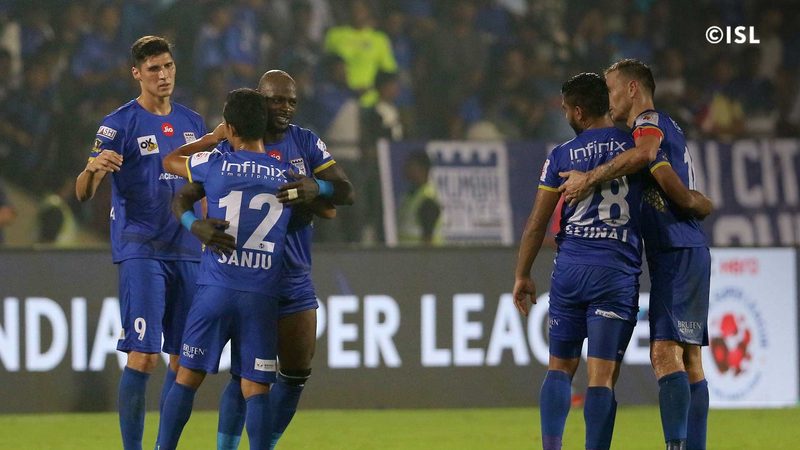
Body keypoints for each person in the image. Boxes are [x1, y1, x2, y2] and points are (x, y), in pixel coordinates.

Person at [559, 59, 713, 450]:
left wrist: (589, 177)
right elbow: (662, 173)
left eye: (611, 90)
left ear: (632, 89)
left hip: (676, 250)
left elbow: (645, 155)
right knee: (690, 359)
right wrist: (694, 201)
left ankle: (677, 445)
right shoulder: (668, 125)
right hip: (681, 250)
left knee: (663, 353)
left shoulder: (647, 122)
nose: (607, 100)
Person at [74, 35, 206, 450]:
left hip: (187, 250)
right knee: (144, 356)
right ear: (137, 73)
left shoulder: (193, 123)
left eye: (168, 66)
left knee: (183, 362)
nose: (163, 75)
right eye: (153, 69)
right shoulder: (118, 124)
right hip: (141, 248)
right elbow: (82, 193)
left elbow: (204, 185)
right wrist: (93, 169)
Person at [211, 70, 354, 450]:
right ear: (260, 100)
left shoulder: (305, 141)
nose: (285, 108)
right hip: (249, 276)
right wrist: (198, 222)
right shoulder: (234, 141)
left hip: (294, 275)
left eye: (291, 101)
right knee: (244, 377)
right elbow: (202, 185)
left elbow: (346, 192)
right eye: (276, 100)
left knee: (295, 376)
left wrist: (316, 187)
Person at [157, 88, 294, 450]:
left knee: (187, 378)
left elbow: (170, 160)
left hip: (215, 290)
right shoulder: (287, 176)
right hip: (261, 295)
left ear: (230, 127)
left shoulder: (215, 164)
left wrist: (211, 138)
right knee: (255, 388)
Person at [513, 72, 644, 450]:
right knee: (601, 377)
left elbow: (536, 224)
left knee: (559, 367)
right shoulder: (634, 146)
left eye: (566, 108)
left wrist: (523, 274)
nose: (565, 114)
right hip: (614, 271)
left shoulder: (561, 155)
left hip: (570, 270)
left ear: (580, 112)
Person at [397, 150, 441, 246]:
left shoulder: (427, 200)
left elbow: (428, 239)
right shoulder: (409, 197)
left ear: (422, 170)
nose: (405, 169)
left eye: (410, 165)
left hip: (420, 254)